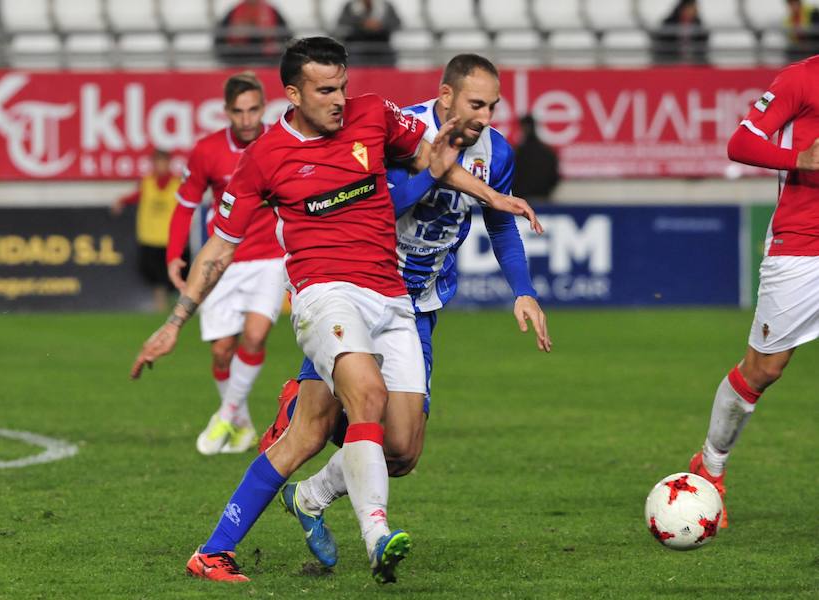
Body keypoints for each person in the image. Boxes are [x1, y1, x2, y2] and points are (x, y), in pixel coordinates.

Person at [130, 37, 540, 584]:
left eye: (342, 85)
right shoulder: (264, 159)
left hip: (394, 297)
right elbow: (220, 247)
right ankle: (376, 536)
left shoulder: (372, 115)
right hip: (325, 293)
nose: (339, 99)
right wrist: (175, 321)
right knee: (366, 394)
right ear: (293, 94)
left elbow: (430, 159)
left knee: (375, 443)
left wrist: (494, 198)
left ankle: (217, 548)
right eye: (326, 90)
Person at [262, 54, 551, 568]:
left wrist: (522, 290)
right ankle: (305, 411)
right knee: (339, 415)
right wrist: (435, 171)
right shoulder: (401, 132)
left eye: (494, 106)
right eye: (475, 103)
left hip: (418, 304)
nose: (485, 116)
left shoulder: (497, 153)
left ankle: (310, 495)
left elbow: (500, 223)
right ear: (446, 97)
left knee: (403, 451)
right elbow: (375, 204)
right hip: (358, 289)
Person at [688, 55, 819, 529]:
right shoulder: (802, 78)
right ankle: (711, 465)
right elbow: (740, 142)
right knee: (764, 368)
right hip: (803, 244)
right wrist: (799, 158)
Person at [165, 72, 284, 456]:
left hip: (270, 258)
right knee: (221, 351)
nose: (247, 119)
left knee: (255, 335)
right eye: (239, 112)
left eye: (253, 110)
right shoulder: (207, 151)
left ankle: (225, 415)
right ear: (227, 112)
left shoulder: (280, 142)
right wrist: (174, 255)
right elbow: (185, 205)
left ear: (264, 107)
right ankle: (243, 424)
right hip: (223, 260)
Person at [111, 148, 180, 312]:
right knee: (150, 270)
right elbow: (137, 196)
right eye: (157, 162)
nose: (160, 166)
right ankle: (161, 303)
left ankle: (169, 301)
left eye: (163, 162)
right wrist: (121, 201)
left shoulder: (178, 184)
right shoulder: (147, 182)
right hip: (149, 236)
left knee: (171, 273)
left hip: (170, 237)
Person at [214, 0, 291, 66]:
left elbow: (287, 36)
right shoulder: (234, 12)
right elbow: (219, 39)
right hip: (238, 60)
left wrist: (275, 38)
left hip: (268, 61)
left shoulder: (272, 12)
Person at [512, 114, 560, 203]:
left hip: (522, 202)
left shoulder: (517, 153)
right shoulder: (547, 152)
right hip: (543, 200)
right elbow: (554, 178)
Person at [335, 0, 401, 66]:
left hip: (381, 46)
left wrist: (380, 25)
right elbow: (342, 24)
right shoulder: (349, 7)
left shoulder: (386, 6)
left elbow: (396, 23)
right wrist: (361, 24)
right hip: (356, 46)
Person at [651, 0, 708, 65]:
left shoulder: (698, 24)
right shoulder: (669, 23)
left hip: (693, 61)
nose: (693, 11)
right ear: (683, 9)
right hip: (671, 61)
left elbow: (702, 44)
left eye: (695, 9)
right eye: (690, 8)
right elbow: (663, 45)